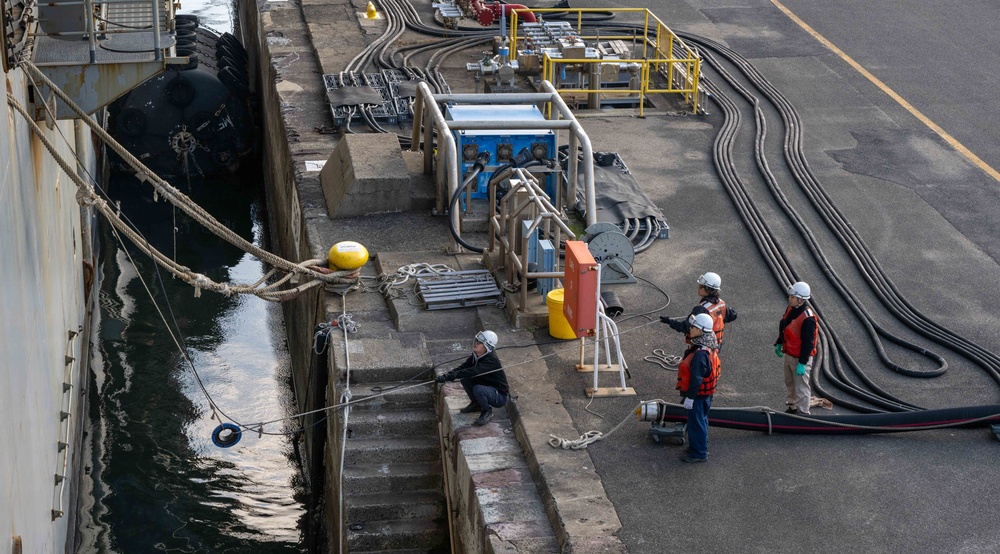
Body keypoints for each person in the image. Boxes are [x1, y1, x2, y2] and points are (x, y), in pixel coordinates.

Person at [435, 330, 509, 426]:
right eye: (476, 340)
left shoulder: (491, 361)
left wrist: (454, 376)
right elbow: (463, 368)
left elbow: (473, 371)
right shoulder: (476, 356)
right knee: (465, 379)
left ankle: (487, 411)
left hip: (499, 395)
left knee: (478, 389)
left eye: (480, 343)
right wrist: (446, 376)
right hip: (488, 387)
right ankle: (476, 404)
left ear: (487, 347)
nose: (476, 343)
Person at [676, 313, 721, 463]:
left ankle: (699, 453)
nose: (691, 329)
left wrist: (690, 397)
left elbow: (696, 379)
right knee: (701, 421)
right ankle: (697, 447)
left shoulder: (700, 354)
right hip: (705, 394)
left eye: (694, 327)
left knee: (697, 423)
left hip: (698, 395)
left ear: (701, 330)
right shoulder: (709, 345)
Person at [660, 272, 738, 348]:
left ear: (707, 289)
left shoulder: (701, 309)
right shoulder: (721, 304)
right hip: (715, 344)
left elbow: (685, 327)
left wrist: (669, 321)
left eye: (701, 286)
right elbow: (733, 315)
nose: (698, 288)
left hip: (701, 346)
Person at [774, 281, 818, 415]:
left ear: (800, 299)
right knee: (790, 383)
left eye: (792, 297)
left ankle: (803, 413)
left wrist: (803, 363)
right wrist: (779, 342)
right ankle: (792, 407)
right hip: (790, 354)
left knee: (801, 387)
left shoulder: (808, 319)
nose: (789, 298)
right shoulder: (791, 310)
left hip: (800, 358)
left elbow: (808, 343)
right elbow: (785, 328)